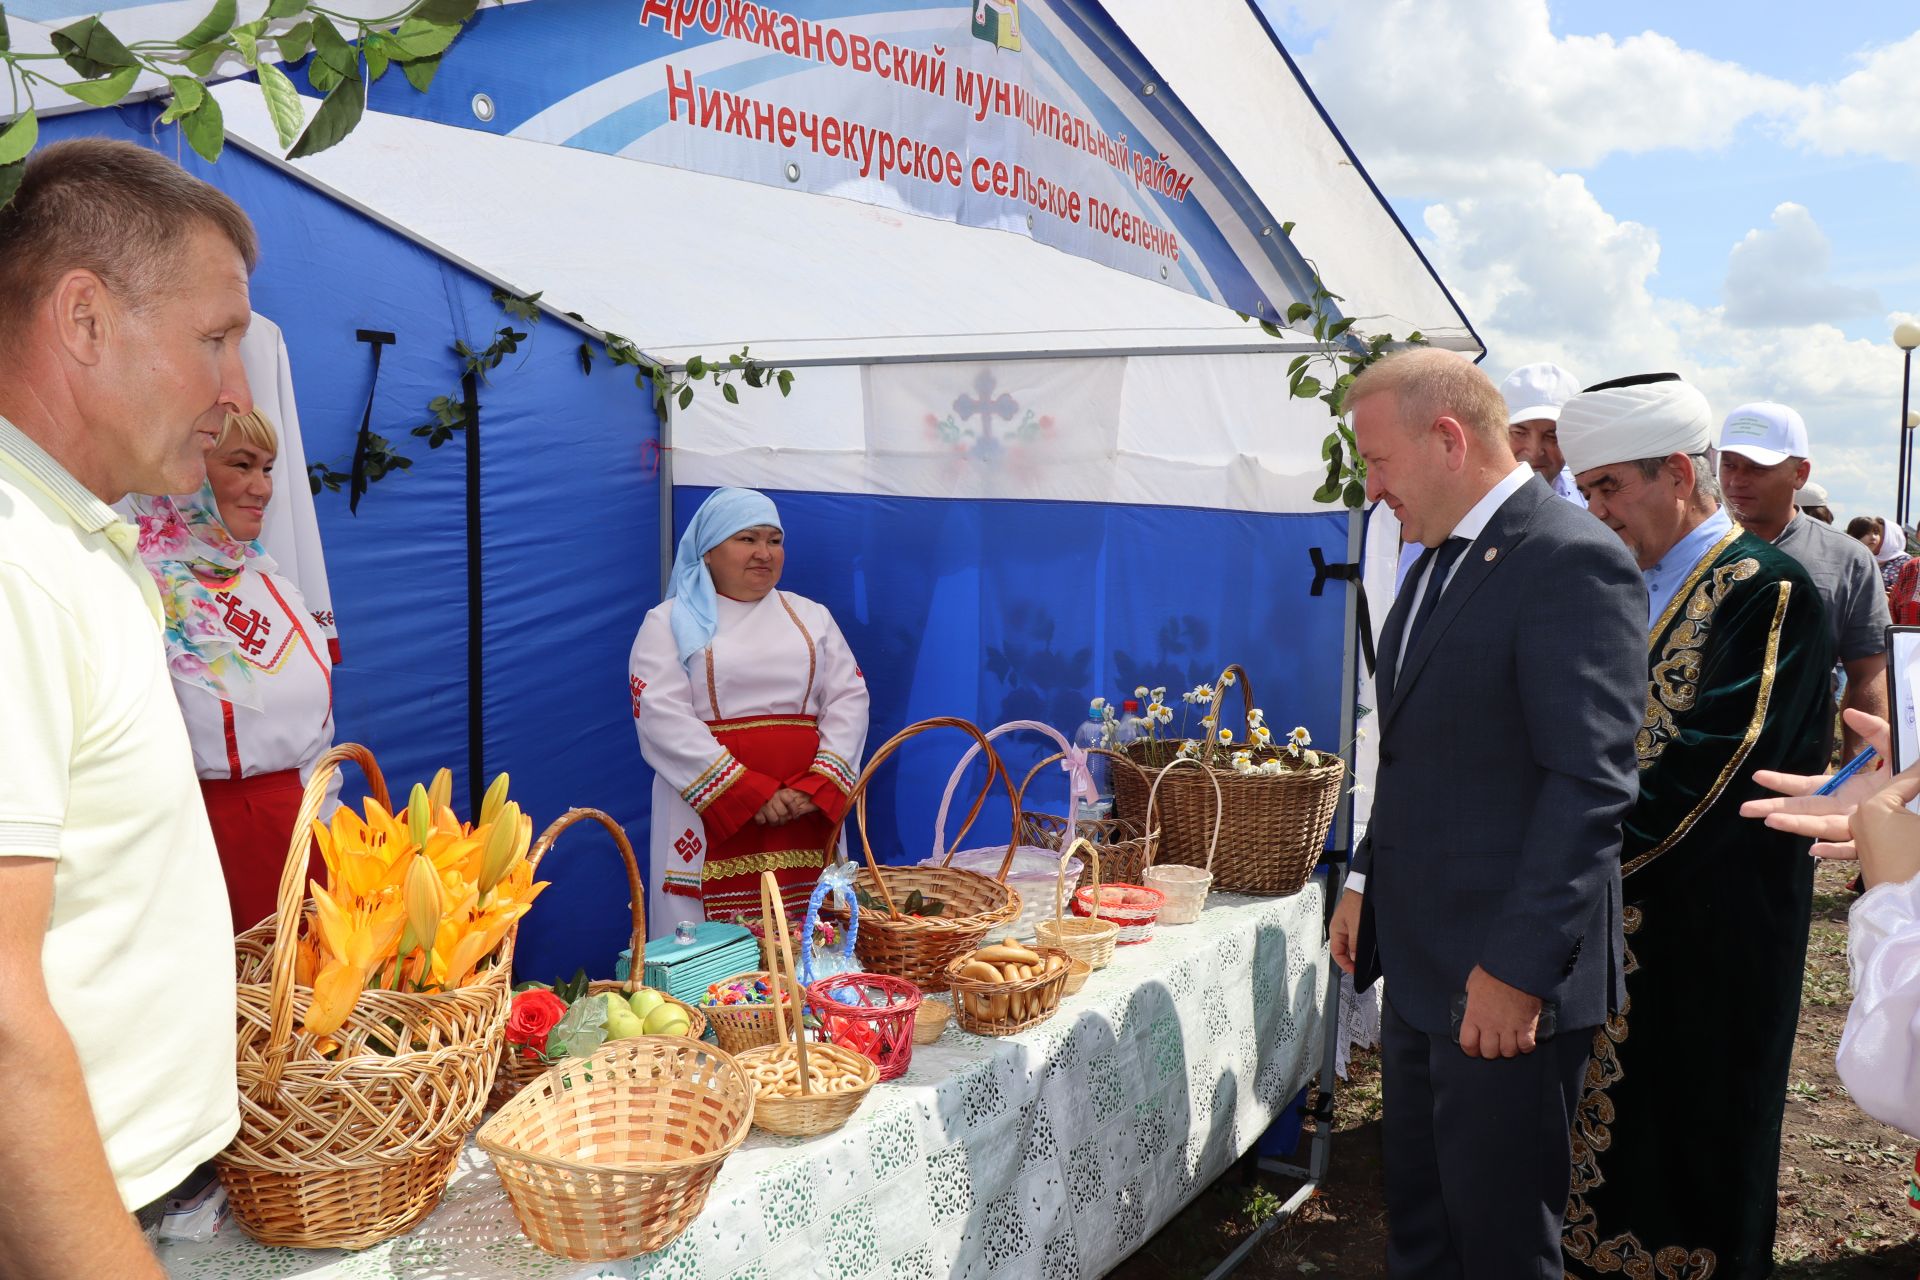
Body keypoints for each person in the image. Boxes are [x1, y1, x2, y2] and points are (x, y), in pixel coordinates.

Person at [1328, 349, 1646, 1277]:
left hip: (1506, 982)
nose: (1373, 487)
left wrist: (1516, 970)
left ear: (1449, 438)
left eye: (1380, 463)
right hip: (1426, 963)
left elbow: (1588, 784)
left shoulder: (1568, 559)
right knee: (1423, 1225)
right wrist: (1364, 882)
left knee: (1501, 1243)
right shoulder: (1432, 562)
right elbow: (1418, 751)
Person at [0, 138, 255, 1272]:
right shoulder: (16, 561)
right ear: (86, 319)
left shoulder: (76, 541)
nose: (231, 394)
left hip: (146, 1191)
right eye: (215, 340)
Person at [1557, 373, 1835, 1280]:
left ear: (1677, 472)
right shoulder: (1621, 578)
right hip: (1618, 911)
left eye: (1608, 489)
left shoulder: (1766, 587)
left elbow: (1713, 766)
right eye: (1587, 490)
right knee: (1609, 1144)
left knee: (1692, 1136)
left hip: (1713, 925)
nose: (1594, 510)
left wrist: (1565, 855)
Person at [129, 408, 336, 934]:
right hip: (193, 855)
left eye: (267, 468)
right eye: (241, 465)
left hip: (304, 844)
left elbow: (321, 743)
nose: (261, 487)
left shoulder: (274, 584)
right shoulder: (136, 589)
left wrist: (331, 836)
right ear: (180, 469)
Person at [630, 487, 869, 926]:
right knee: (705, 951)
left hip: (806, 812)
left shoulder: (812, 616)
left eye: (774, 540)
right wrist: (742, 792)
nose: (764, 553)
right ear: (707, 552)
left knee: (812, 932)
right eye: (747, 539)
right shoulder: (666, 622)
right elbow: (660, 714)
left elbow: (849, 698)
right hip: (710, 810)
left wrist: (817, 784)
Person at [1718, 402, 1888, 757]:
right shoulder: (1685, 546)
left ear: (1800, 474)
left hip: (1794, 767)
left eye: (1757, 467)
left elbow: (1868, 672)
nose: (1736, 480)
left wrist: (1854, 770)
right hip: (1681, 774)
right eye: (1729, 464)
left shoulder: (1846, 559)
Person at [1498, 360, 1585, 505]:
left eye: (1552, 436)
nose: (1535, 451)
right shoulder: (1465, 504)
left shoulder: (1589, 504)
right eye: (1519, 433)